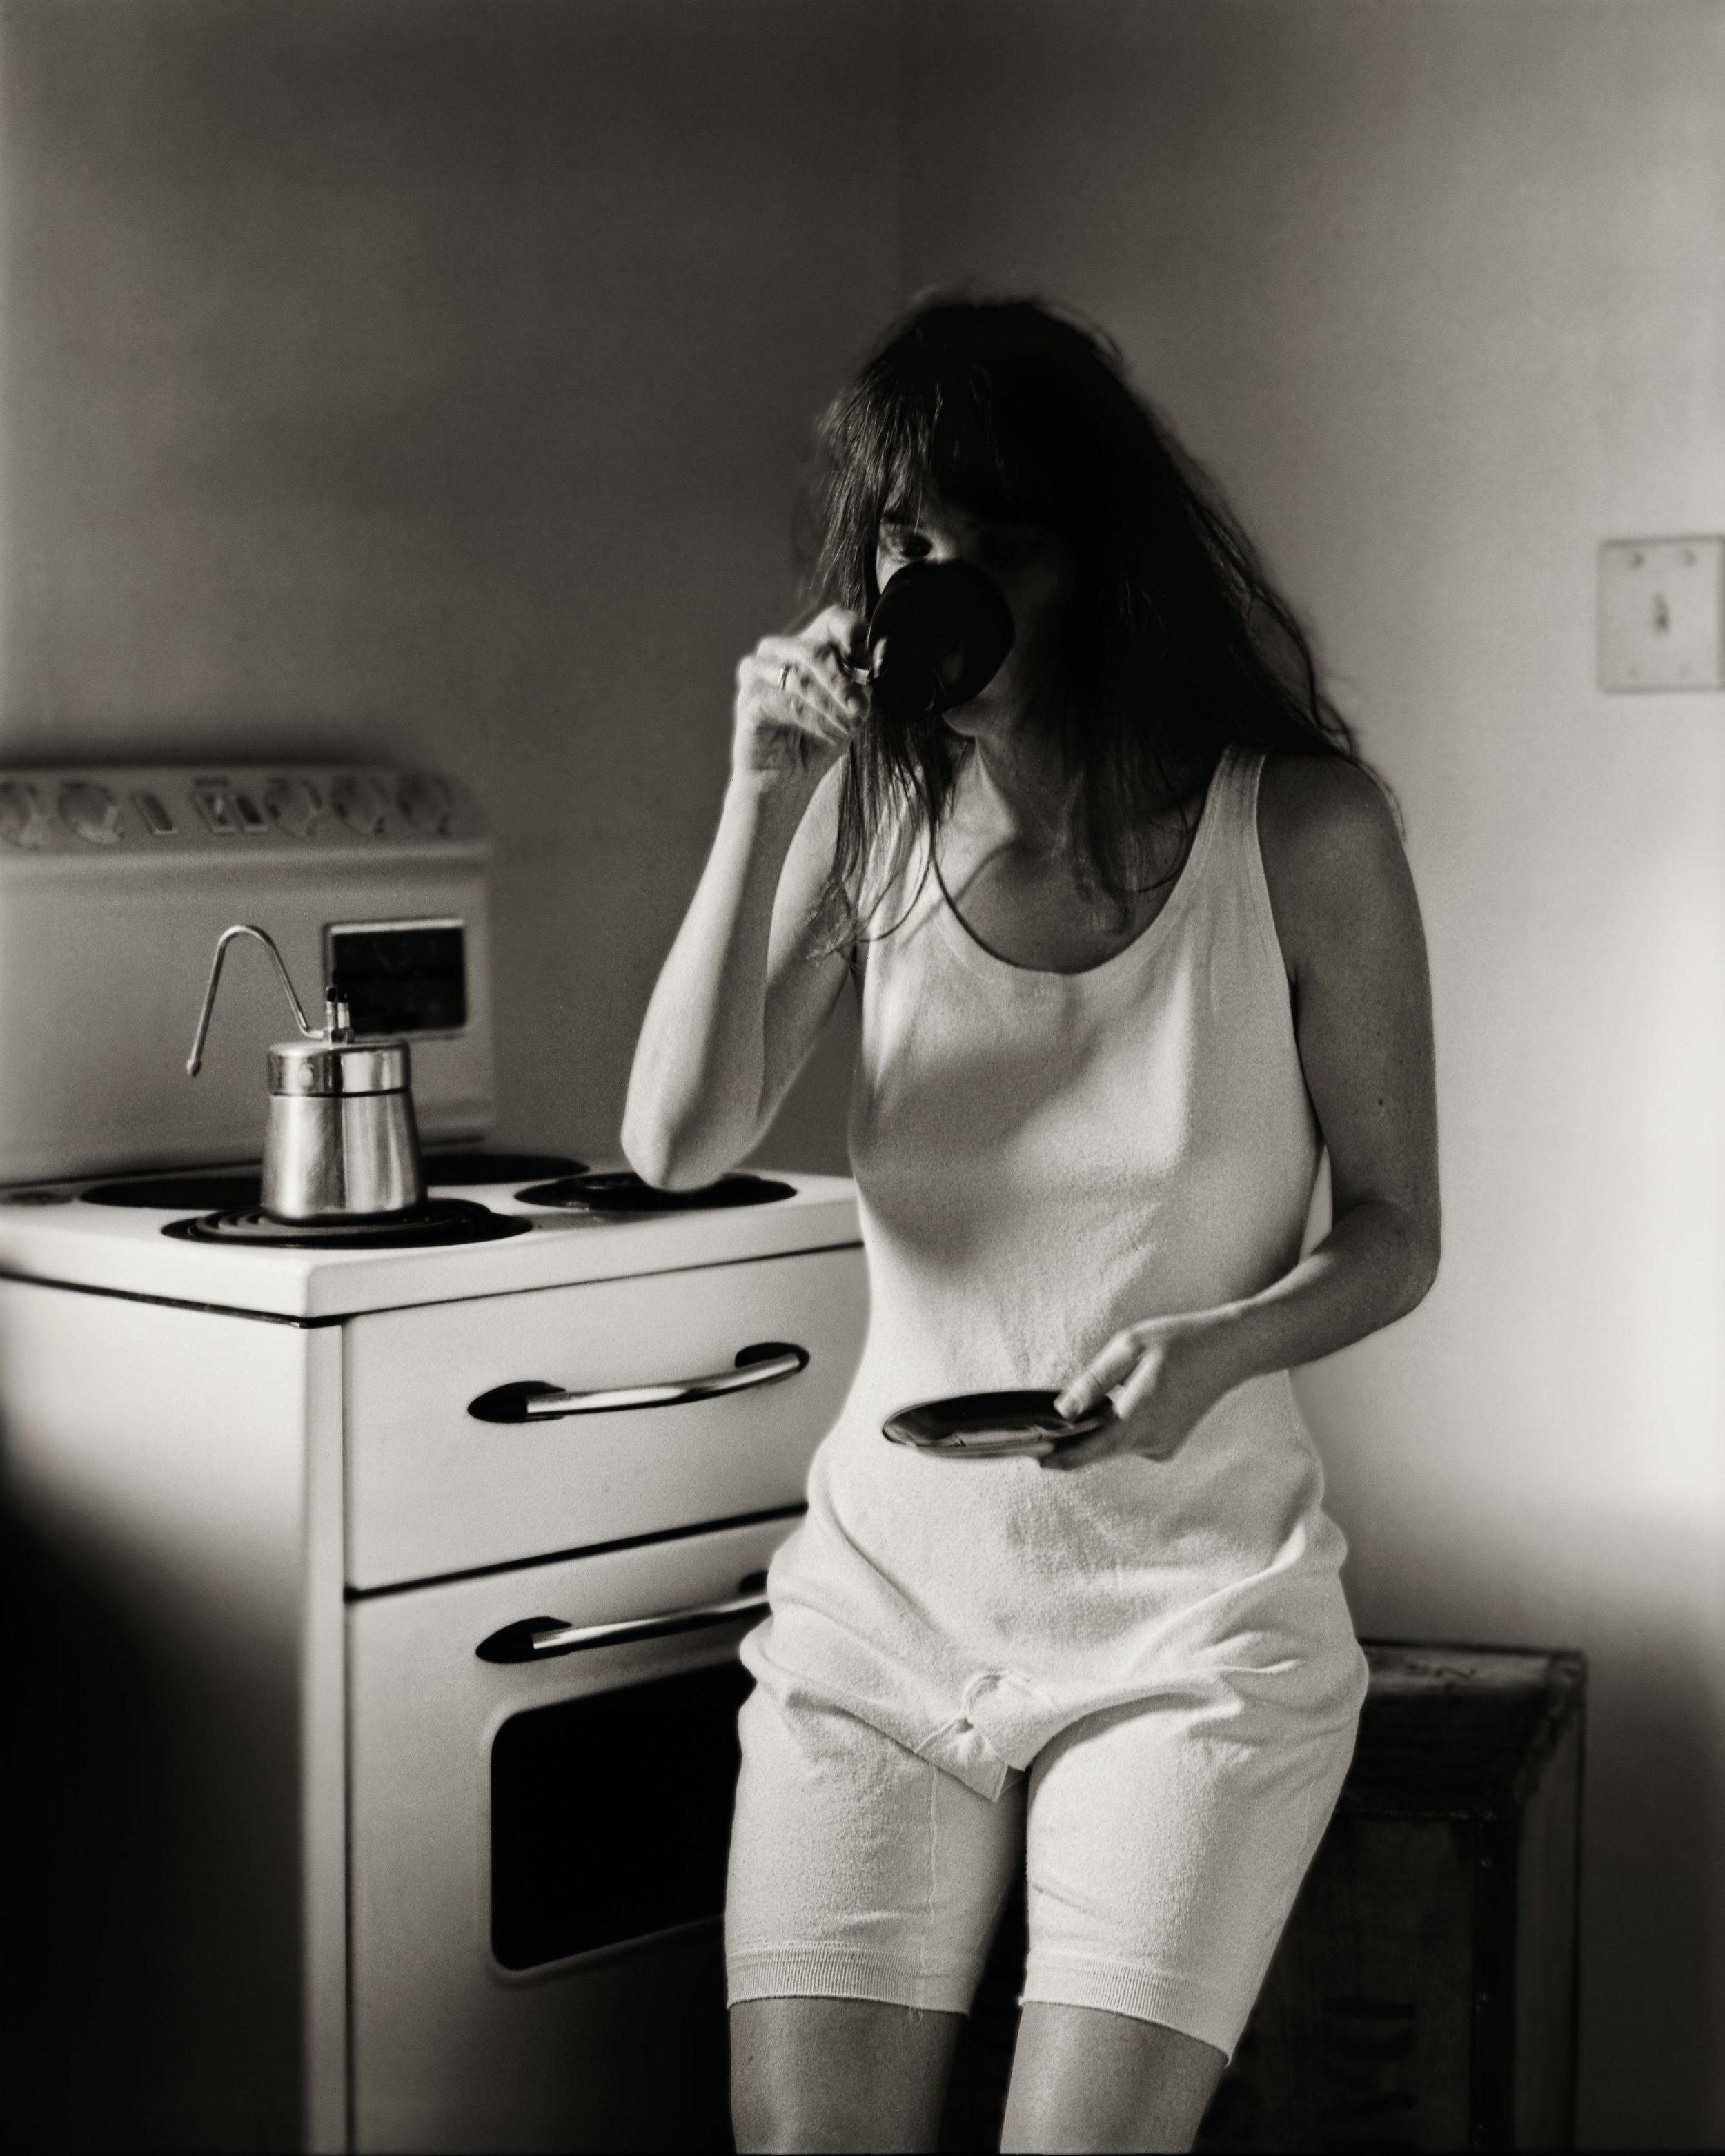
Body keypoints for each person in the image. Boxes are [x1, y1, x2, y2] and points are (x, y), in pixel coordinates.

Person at [623, 295, 1440, 2155]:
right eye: (907, 543)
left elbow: (1396, 1229)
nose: (944, 585)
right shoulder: (870, 827)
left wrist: (1224, 1340)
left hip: (1187, 1617)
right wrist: (759, 806)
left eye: (1000, 543)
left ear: (1100, 565)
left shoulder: (1297, 833)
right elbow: (675, 1140)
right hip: (883, 1610)